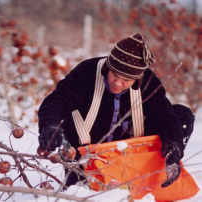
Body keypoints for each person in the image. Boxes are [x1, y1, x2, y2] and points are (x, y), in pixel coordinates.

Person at [37, 34, 195, 188]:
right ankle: (79, 177)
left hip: (128, 153)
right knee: (62, 119)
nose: (118, 84)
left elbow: (165, 117)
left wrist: (173, 148)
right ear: (108, 68)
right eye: (115, 75)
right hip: (86, 152)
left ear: (137, 80)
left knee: (182, 115)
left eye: (126, 80)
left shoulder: (148, 83)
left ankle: (157, 168)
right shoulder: (87, 73)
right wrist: (49, 125)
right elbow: (57, 100)